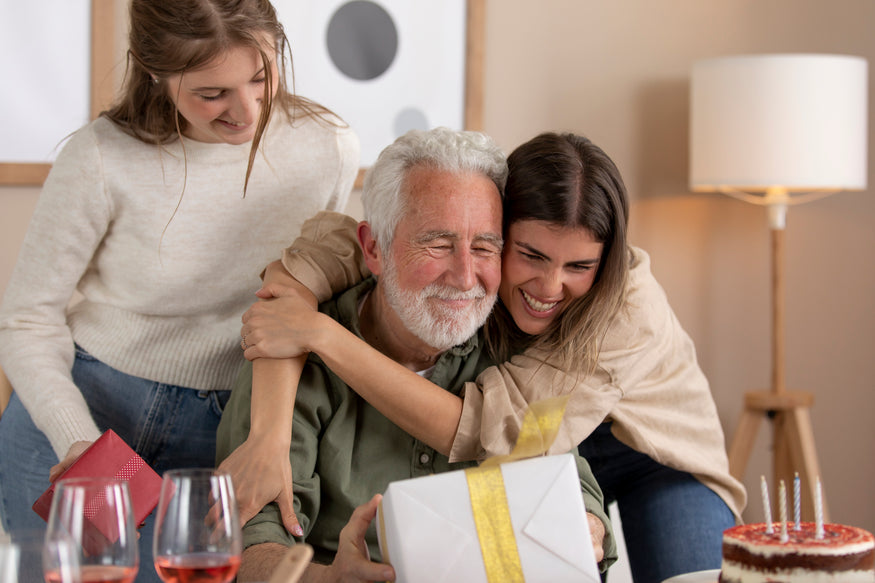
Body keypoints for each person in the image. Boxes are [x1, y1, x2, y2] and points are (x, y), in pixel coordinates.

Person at [238, 132, 747, 583]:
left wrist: (322, 336)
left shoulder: (622, 315)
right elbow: (328, 252)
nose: (549, 287)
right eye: (529, 255)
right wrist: (272, 418)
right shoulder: (472, 297)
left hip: (655, 459)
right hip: (536, 427)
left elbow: (507, 437)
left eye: (483, 246)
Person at [0, 1, 358, 581]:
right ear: (156, 73)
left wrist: (270, 433)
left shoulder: (327, 147)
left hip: (222, 435)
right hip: (82, 414)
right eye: (212, 92)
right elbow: (26, 321)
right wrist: (79, 444)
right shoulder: (100, 157)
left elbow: (303, 298)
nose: (246, 110)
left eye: (261, 77)